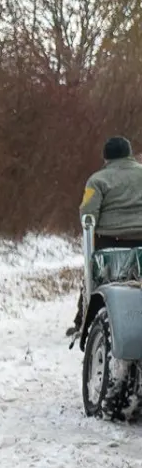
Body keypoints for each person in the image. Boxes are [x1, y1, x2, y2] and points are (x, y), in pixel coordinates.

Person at [70, 137, 142, 335]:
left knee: (94, 277)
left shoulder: (98, 180)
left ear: (106, 158)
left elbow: (88, 213)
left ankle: (82, 320)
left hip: (110, 240)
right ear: (129, 154)